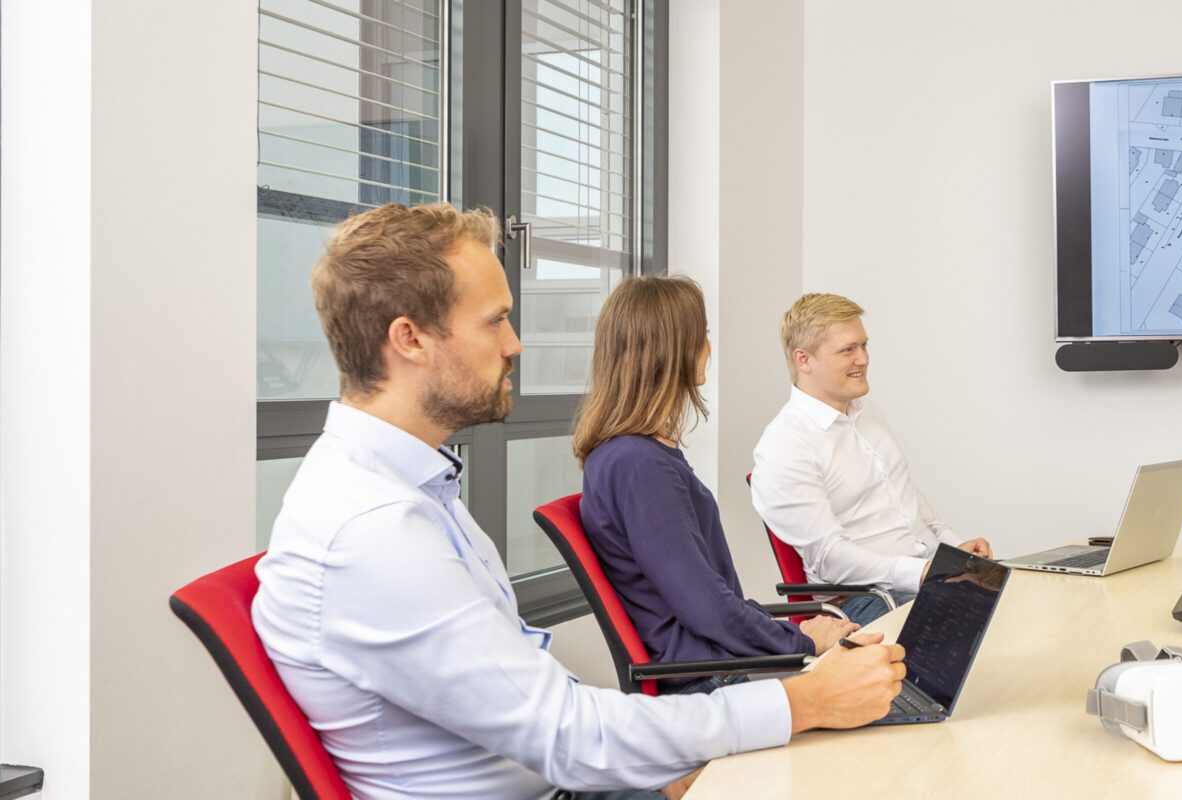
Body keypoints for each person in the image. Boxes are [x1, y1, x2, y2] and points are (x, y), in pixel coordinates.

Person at [252, 203, 908, 800]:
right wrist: (801, 702)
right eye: (496, 320)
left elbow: (550, 715)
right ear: (410, 339)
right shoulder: (373, 532)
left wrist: (679, 755)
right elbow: (567, 738)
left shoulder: (414, 491)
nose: (514, 345)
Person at [574, 276, 863, 693]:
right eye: (702, 335)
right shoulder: (639, 465)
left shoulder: (634, 456)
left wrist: (791, 634)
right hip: (709, 683)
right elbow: (708, 610)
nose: (709, 347)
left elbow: (707, 600)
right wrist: (801, 639)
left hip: (720, 665)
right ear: (671, 351)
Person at [750, 293, 988, 625]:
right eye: (848, 350)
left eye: (864, 345)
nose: (863, 359)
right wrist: (921, 571)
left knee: (1033, 597)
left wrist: (954, 548)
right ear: (803, 359)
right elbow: (830, 559)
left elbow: (906, 498)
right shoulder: (786, 446)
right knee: (998, 623)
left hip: (922, 578)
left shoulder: (868, 414)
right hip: (863, 601)